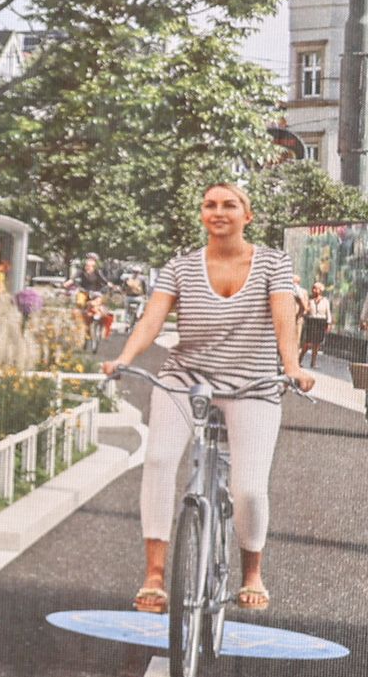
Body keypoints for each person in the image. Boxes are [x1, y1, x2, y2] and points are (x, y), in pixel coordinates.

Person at [103, 180, 309, 613]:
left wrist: (291, 369)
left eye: (230, 205)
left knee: (249, 488)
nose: (218, 212)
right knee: (158, 461)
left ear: (247, 215)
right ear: (202, 214)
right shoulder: (180, 267)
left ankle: (252, 571)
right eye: (209, 205)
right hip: (187, 379)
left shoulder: (272, 263)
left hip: (252, 383)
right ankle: (155, 575)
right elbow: (152, 319)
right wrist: (122, 358)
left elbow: (283, 317)